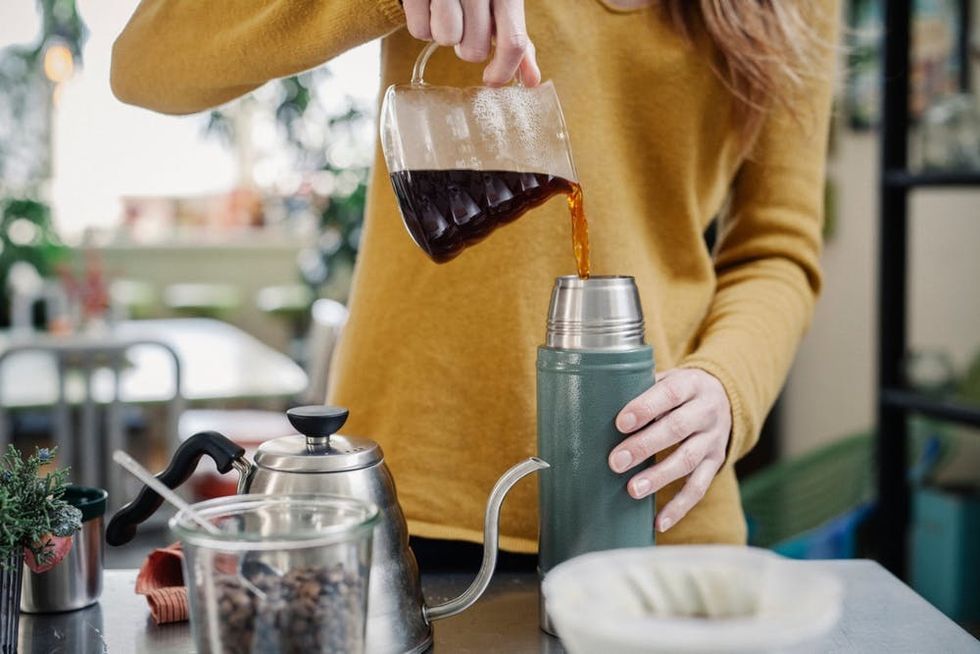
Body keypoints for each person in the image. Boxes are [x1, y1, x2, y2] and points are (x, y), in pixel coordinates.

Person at [111, 1, 840, 566]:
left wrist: (725, 388)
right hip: (412, 502)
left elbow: (776, 247)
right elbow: (146, 60)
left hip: (655, 498)